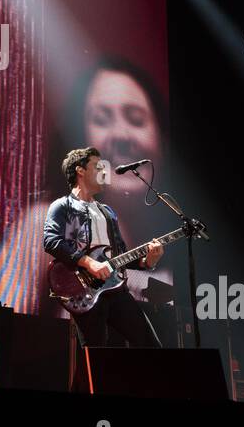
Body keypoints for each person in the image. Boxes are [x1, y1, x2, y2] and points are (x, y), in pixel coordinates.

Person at [43, 147, 163, 347]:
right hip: (84, 289)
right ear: (80, 171)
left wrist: (146, 261)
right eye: (98, 167)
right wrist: (89, 263)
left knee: (150, 344)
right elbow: (51, 241)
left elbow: (120, 255)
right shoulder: (62, 206)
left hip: (115, 288)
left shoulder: (107, 212)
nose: (104, 171)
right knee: (95, 356)